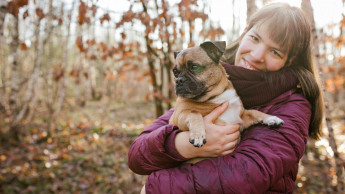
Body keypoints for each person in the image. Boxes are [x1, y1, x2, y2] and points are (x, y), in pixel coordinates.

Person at [128, 2, 324, 193]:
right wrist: (184, 144)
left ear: (289, 60)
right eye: (255, 38)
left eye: (275, 51)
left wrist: (158, 187)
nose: (257, 55)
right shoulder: (207, 85)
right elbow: (138, 155)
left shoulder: (293, 104)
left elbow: (246, 177)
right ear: (244, 32)